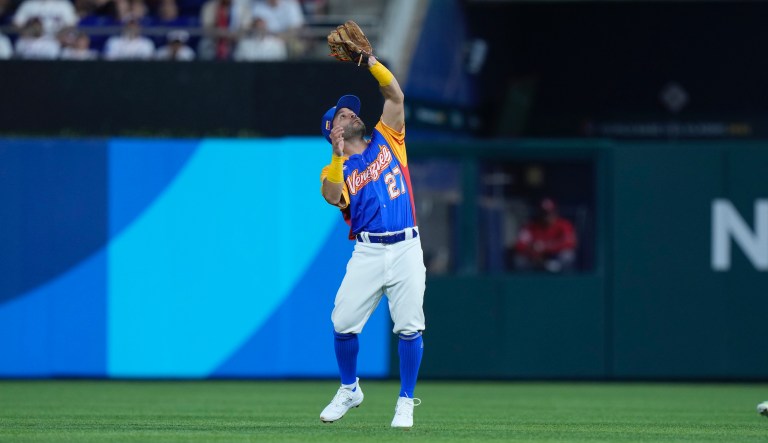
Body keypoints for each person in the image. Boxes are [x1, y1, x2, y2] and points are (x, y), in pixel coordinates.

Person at [317, 55, 426, 429]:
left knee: (409, 325)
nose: (352, 114)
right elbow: (332, 195)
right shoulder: (334, 169)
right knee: (343, 321)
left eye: (352, 112)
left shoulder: (387, 137)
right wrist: (336, 157)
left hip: (406, 245)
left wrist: (371, 63)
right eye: (343, 115)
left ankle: (406, 401)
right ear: (333, 130)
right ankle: (350, 389)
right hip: (369, 250)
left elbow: (395, 96)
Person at [511, 197, 577, 273]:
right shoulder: (531, 227)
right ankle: (527, 280)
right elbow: (519, 245)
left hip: (556, 257)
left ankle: (565, 279)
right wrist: (532, 250)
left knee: (567, 255)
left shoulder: (564, 225)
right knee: (519, 260)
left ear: (555, 212)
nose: (547, 216)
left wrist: (546, 247)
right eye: (544, 213)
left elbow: (569, 243)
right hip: (535, 259)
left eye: (550, 213)